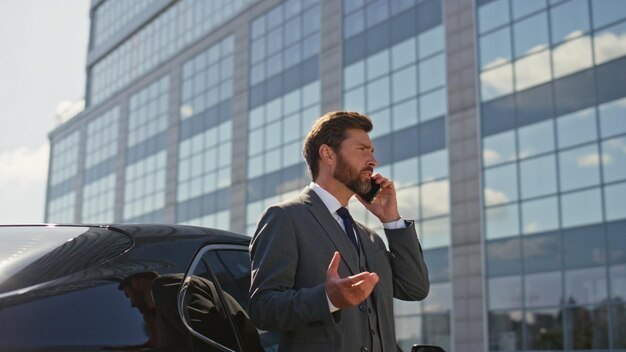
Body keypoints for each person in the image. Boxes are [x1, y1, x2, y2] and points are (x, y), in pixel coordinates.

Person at [248, 110, 430, 351]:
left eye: (372, 151)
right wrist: (327, 299)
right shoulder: (285, 218)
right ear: (328, 154)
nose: (373, 161)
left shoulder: (370, 237)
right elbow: (263, 308)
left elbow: (414, 288)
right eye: (362, 150)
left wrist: (391, 220)